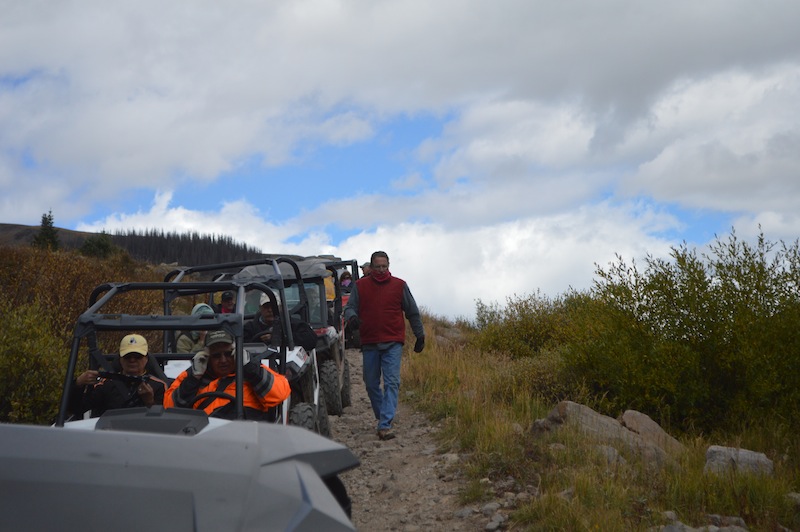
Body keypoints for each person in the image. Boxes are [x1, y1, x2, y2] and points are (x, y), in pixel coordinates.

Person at [344, 251, 425, 440]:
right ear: (371, 268)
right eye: (378, 267)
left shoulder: (399, 285)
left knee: (392, 382)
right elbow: (350, 307)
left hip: (393, 341)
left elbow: (412, 312)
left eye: (384, 267)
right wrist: (352, 318)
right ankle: (383, 417)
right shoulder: (360, 286)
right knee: (371, 384)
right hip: (370, 342)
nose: (381, 270)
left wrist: (420, 335)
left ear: (389, 266)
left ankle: (385, 424)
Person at [164, 330, 291, 419]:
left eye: (228, 354)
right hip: (202, 437)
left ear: (236, 353)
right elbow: (169, 407)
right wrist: (193, 378)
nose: (223, 360)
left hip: (247, 434)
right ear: (208, 358)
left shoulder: (251, 372)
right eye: (216, 356)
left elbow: (280, 393)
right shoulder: (193, 377)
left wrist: (250, 368)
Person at [70, 334, 167, 418]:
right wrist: (78, 384)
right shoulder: (106, 384)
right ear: (120, 359)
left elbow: (164, 421)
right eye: (127, 357)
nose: (132, 360)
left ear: (146, 359)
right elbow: (76, 409)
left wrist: (149, 401)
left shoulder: (159, 386)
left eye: (137, 356)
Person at [244, 292, 318, 352]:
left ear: (280, 307)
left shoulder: (294, 324)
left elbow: (311, 341)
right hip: (257, 364)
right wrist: (259, 340)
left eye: (273, 306)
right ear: (260, 308)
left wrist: (280, 338)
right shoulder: (249, 328)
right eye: (266, 307)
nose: (270, 310)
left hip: (287, 364)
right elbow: (242, 346)